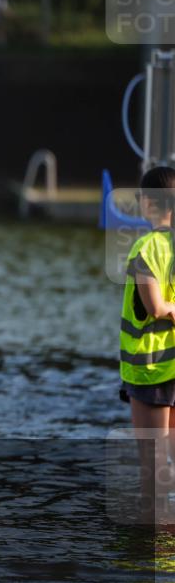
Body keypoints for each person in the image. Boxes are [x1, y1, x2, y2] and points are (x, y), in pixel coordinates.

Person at [119, 166, 175, 514]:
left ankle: (152, 558)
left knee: (152, 474)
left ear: (146, 203)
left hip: (151, 368)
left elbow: (155, 307)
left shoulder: (147, 247)